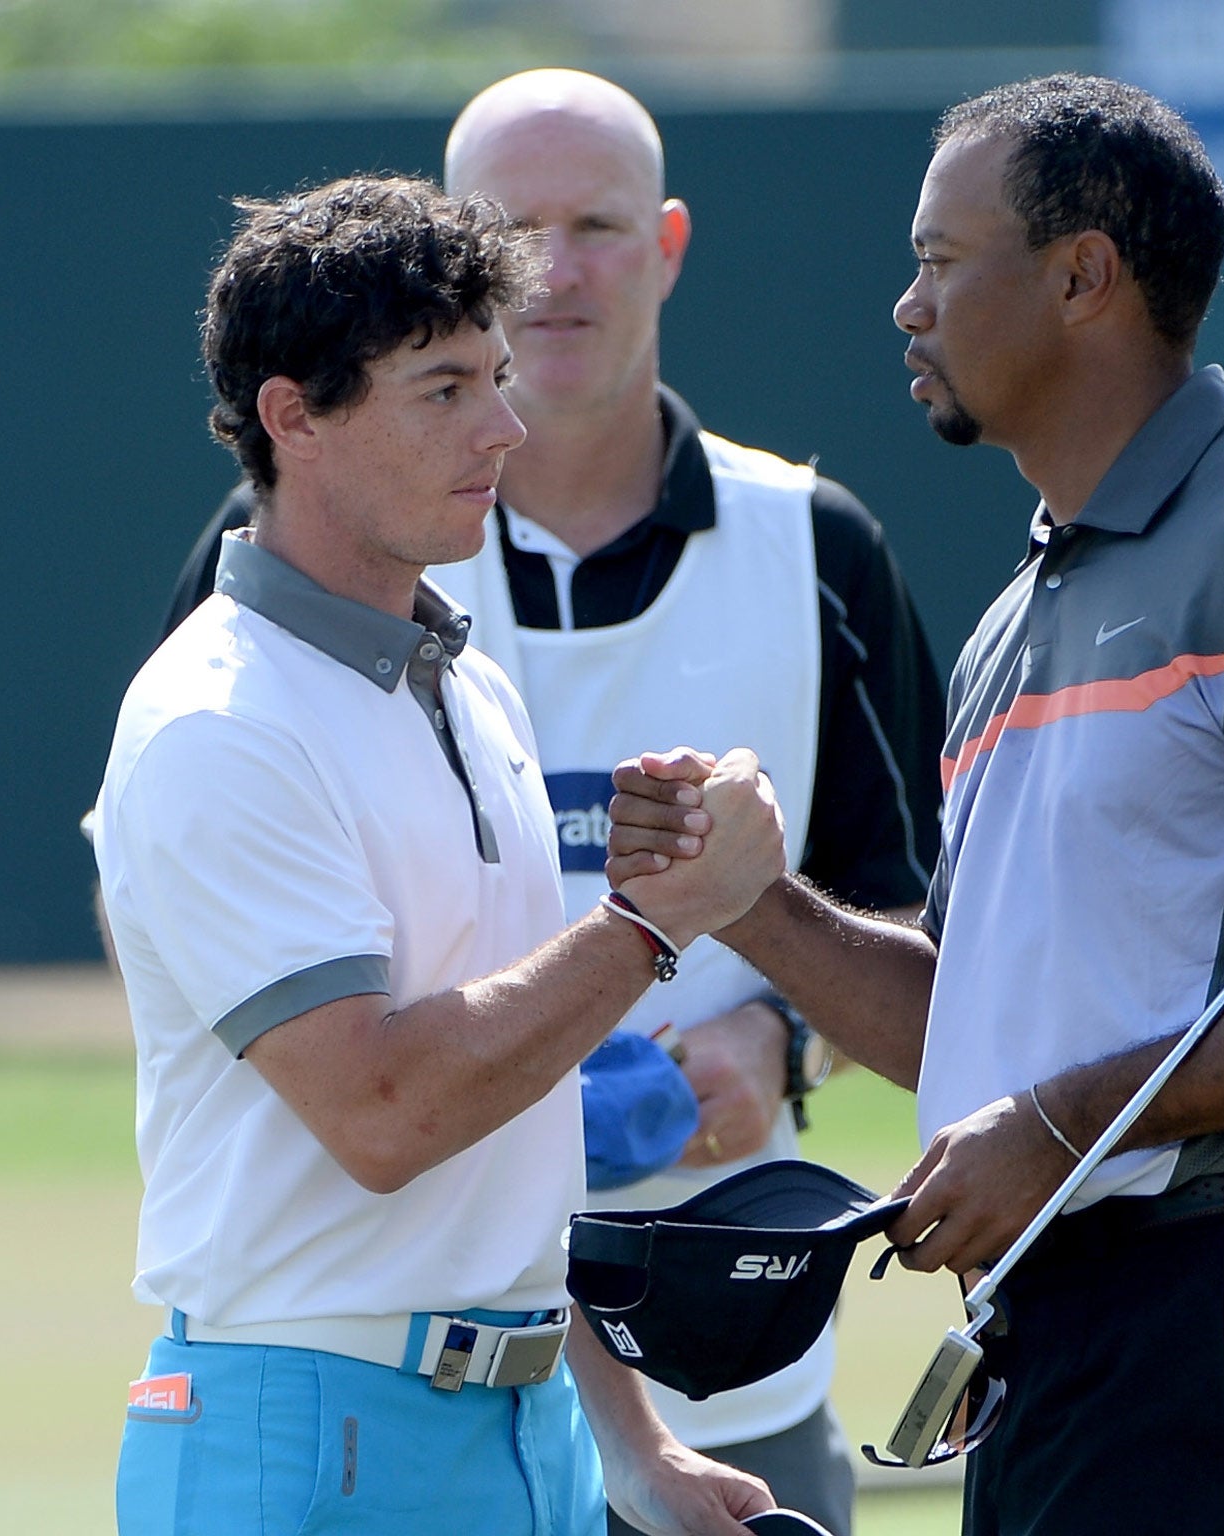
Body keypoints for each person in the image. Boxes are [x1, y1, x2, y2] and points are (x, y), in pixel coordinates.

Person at [610, 74, 1224, 1535]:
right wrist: (746, 905)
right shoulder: (1022, 610)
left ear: (1084, 275)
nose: (906, 305)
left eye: (941, 261)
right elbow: (972, 1024)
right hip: (1073, 1339)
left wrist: (1060, 1126)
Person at [157, 70, 944, 1536]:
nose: (560, 273)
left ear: (669, 242)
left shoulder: (796, 549)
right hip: (344, 1400)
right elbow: (370, 1084)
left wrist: (770, 1032)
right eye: (520, 235)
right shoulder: (249, 650)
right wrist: (652, 939)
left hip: (662, 1368)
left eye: (599, 223)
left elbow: (909, 931)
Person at [93, 173, 787, 1536]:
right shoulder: (217, 721)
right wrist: (657, 923)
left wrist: (634, 1447)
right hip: (299, 1435)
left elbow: (502, 1128)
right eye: (444, 389)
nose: (507, 427)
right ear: (293, 416)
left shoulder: (466, 685)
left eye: (499, 377)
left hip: (526, 1432)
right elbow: (387, 1114)